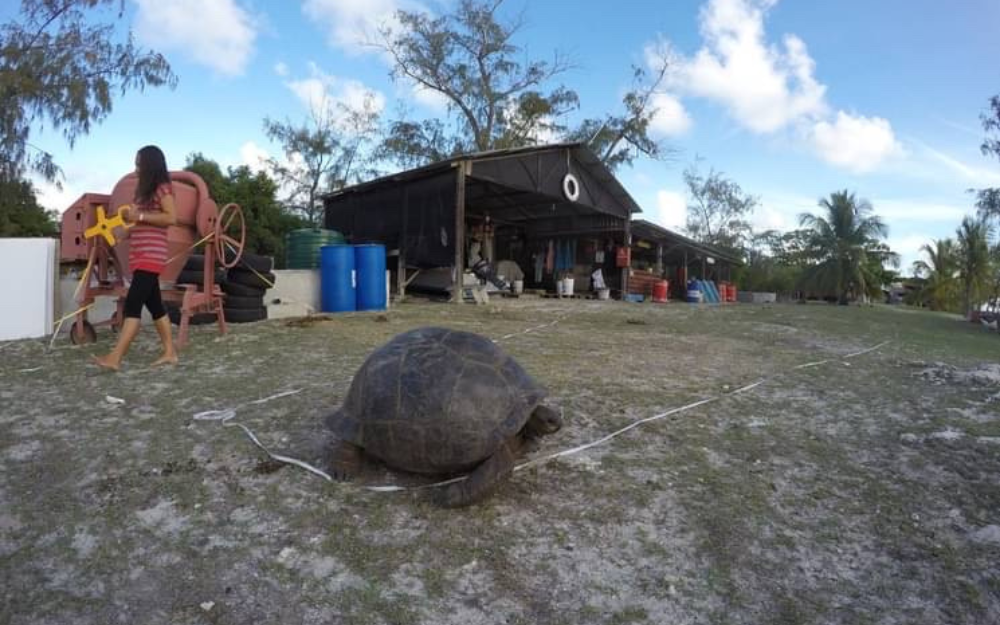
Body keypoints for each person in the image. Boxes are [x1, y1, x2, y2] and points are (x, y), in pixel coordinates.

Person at [93, 145, 178, 370]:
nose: (136, 168)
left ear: (149, 164)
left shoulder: (163, 188)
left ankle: (115, 358)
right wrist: (125, 232)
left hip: (152, 255)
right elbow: (143, 221)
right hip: (140, 255)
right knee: (156, 306)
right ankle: (170, 352)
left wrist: (138, 215)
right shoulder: (143, 193)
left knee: (132, 305)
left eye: (139, 164)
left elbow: (171, 217)